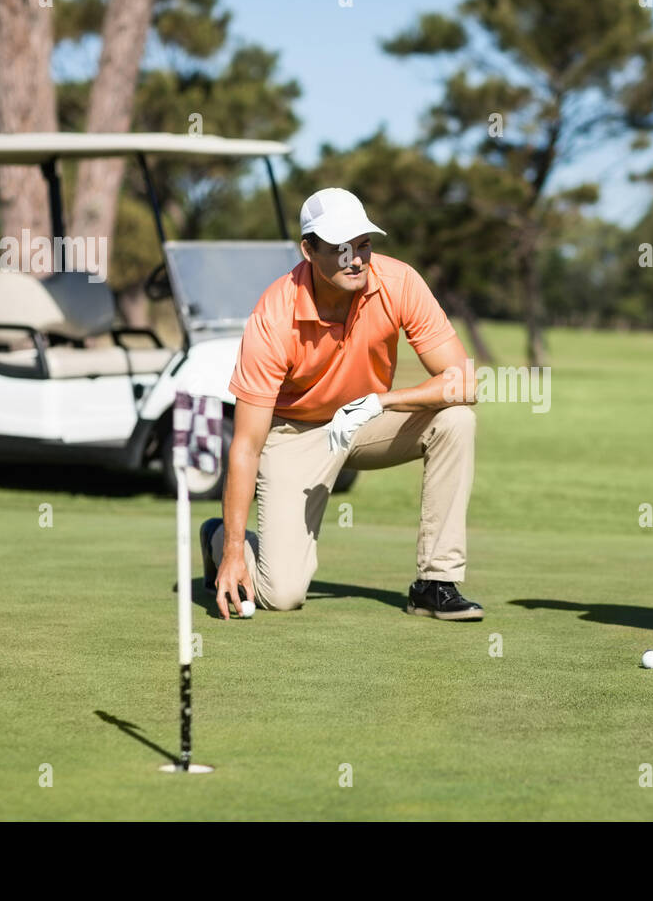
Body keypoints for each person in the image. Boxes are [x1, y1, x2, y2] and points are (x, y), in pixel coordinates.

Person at [201, 188, 483, 622]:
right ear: (308, 250)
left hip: (366, 420)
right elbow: (245, 446)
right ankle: (219, 539)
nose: (357, 259)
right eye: (341, 248)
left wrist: (382, 401)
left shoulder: (399, 282)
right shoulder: (273, 316)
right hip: (294, 434)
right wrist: (235, 549)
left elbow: (464, 381)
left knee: (455, 420)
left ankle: (435, 583)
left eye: (365, 244)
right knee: (282, 594)